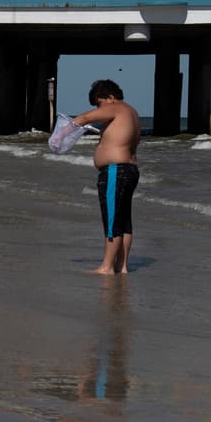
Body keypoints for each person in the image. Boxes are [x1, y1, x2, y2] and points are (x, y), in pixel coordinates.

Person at [73, 79, 141, 275]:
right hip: (129, 170)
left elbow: (84, 118)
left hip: (115, 170)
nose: (98, 109)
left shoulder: (117, 108)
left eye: (99, 104)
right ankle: (122, 265)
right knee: (123, 220)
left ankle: (107, 266)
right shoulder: (132, 113)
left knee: (112, 220)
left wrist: (61, 135)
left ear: (110, 98)